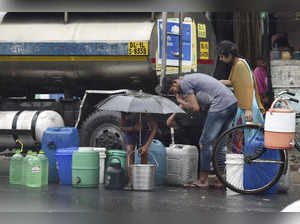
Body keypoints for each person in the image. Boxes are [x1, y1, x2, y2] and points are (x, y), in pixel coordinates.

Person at [169, 73, 237, 189]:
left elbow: (195, 108)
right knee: (220, 144)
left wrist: (181, 102)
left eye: (174, 90)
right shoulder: (192, 79)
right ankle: (220, 179)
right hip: (232, 102)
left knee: (205, 142)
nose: (176, 93)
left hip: (220, 104)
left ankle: (203, 180)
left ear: (175, 82)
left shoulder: (184, 83)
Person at [217, 40, 265, 126]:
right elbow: (236, 82)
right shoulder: (237, 64)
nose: (221, 59)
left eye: (222, 56)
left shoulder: (240, 65)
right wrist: (221, 82)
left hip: (248, 106)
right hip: (246, 104)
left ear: (230, 55)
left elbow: (247, 87)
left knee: (251, 136)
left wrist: (248, 109)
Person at [120, 112, 158, 190]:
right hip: (131, 130)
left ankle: (143, 181)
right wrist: (133, 128)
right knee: (130, 152)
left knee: (143, 153)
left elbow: (155, 128)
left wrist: (146, 146)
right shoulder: (125, 110)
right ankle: (130, 181)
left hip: (145, 131)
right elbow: (122, 127)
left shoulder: (146, 110)